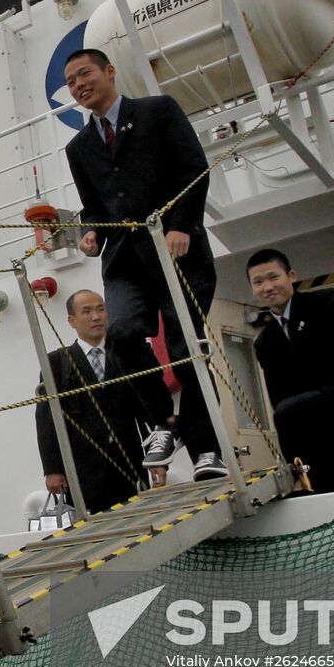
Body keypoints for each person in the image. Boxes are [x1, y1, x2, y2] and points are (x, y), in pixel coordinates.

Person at [63, 49, 229, 481]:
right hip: (124, 260)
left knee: (185, 348)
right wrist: (91, 230)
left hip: (177, 252)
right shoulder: (78, 147)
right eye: (72, 82)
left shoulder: (158, 111)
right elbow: (93, 204)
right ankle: (162, 423)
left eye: (86, 74)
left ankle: (207, 451)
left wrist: (183, 225)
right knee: (120, 334)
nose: (80, 85)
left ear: (109, 71)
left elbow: (194, 169)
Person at [247, 250, 334, 493]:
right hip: (314, 446)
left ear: (291, 276)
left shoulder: (327, 304)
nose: (268, 287)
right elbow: (280, 400)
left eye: (273, 277)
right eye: (258, 282)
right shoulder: (265, 342)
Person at [36, 290, 174, 513]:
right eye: (87, 311)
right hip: (81, 472)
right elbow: (46, 419)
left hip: (128, 465)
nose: (96, 317)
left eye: (101, 309)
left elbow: (145, 410)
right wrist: (52, 469)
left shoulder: (126, 355)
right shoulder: (57, 362)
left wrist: (158, 460)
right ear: (72, 320)